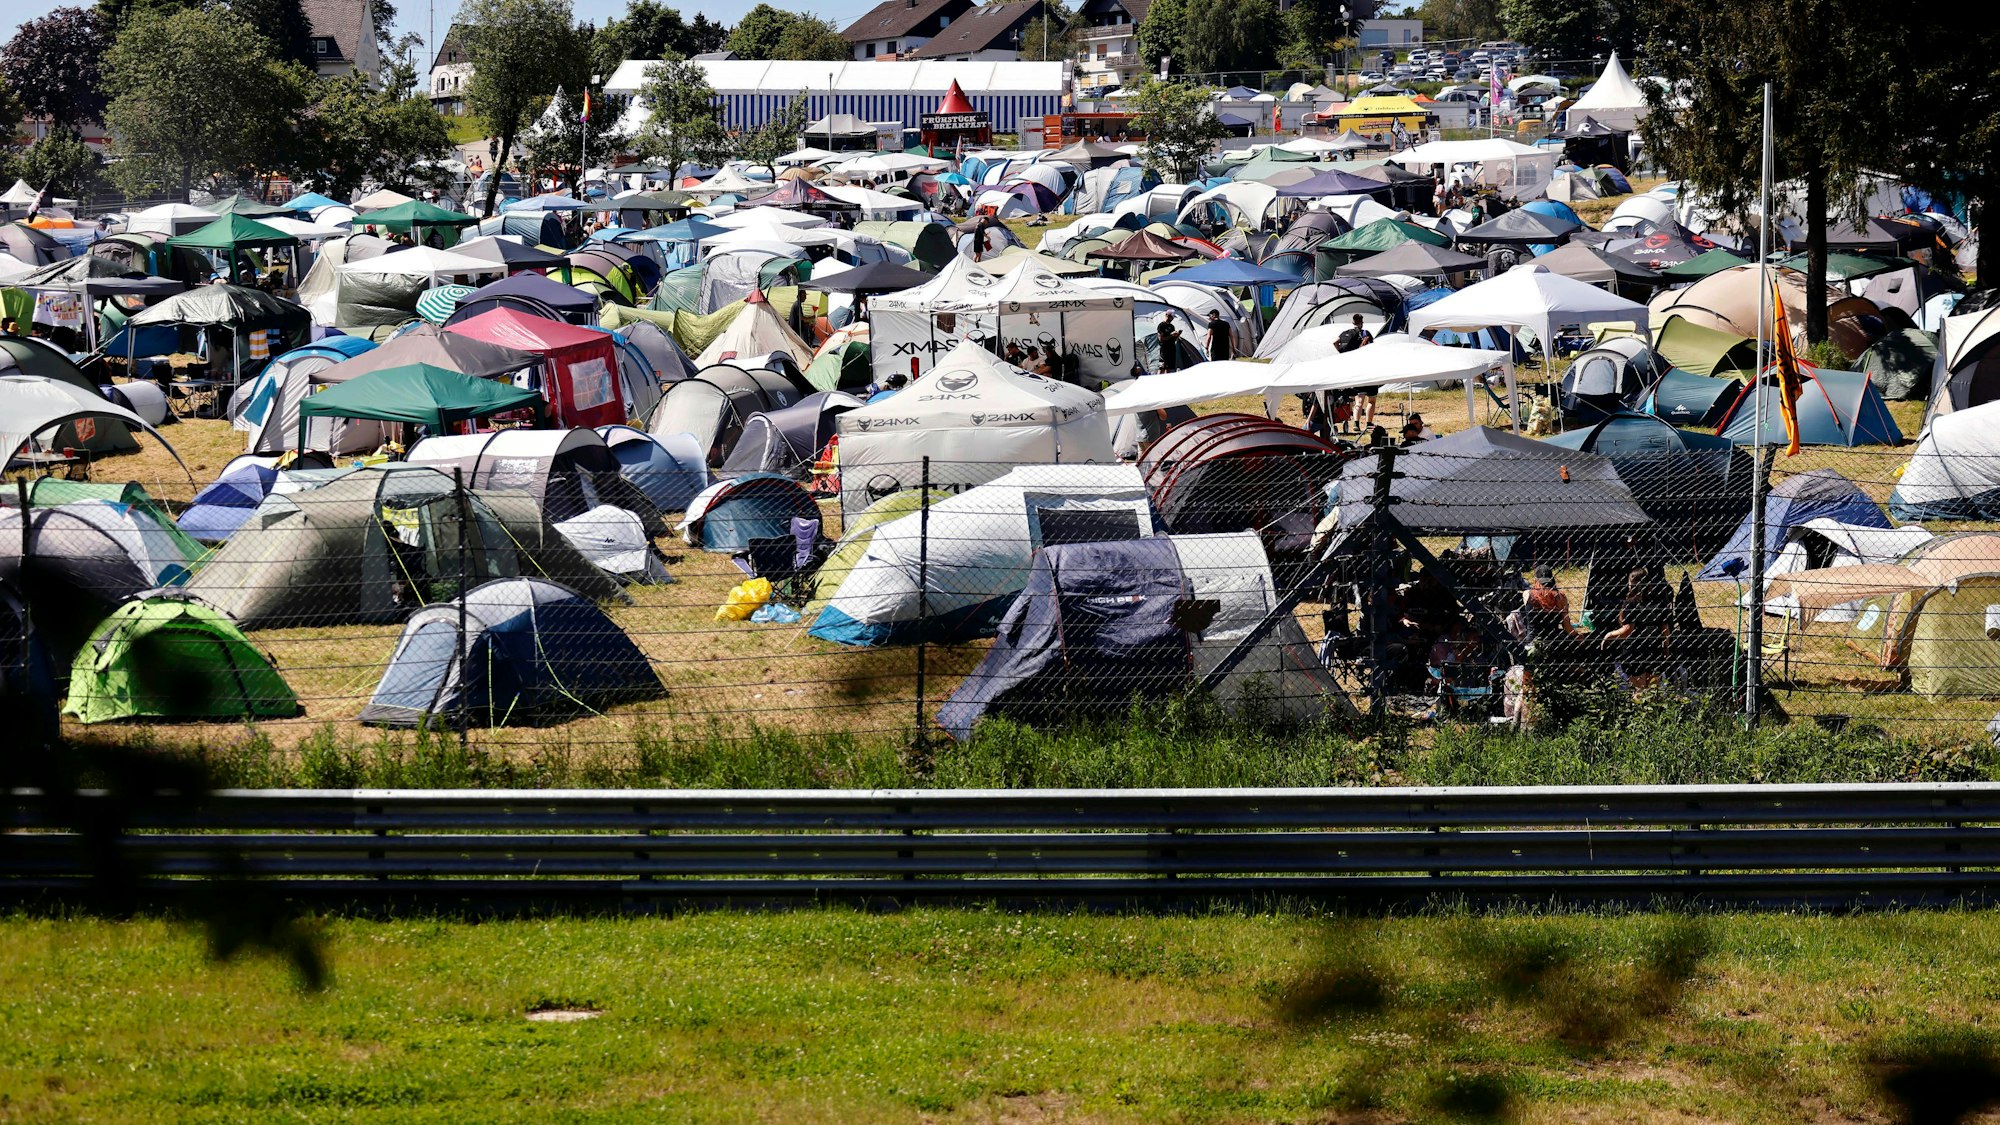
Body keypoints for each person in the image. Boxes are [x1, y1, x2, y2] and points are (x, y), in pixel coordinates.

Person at [1336, 315, 1377, 433]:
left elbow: (1335, 343)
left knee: (1358, 401)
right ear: (1362, 322)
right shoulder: (1365, 333)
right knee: (1371, 400)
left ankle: (1356, 424)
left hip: (1356, 371)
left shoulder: (1346, 334)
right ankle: (1369, 423)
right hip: (1368, 370)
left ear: (1352, 322)